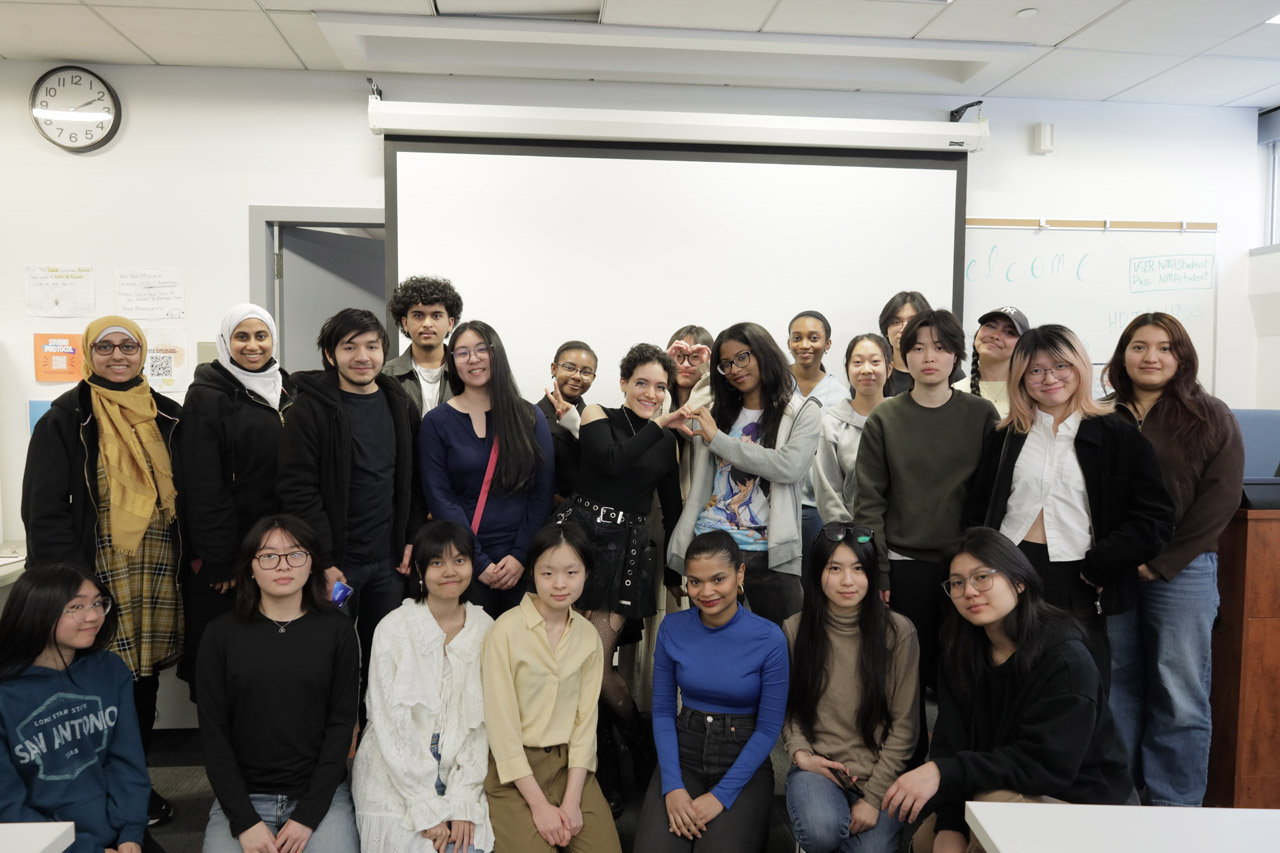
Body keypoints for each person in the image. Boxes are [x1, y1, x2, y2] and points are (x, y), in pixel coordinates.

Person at [21, 314, 182, 826]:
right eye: (105, 347)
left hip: (155, 571)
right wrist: (71, 585)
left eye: (128, 346)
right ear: (89, 354)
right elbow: (43, 509)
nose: (117, 356)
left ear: (142, 352)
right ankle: (93, 791)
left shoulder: (168, 416)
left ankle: (137, 784)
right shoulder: (65, 419)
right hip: (96, 576)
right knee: (96, 685)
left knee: (143, 682)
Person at [883, 528, 1135, 853]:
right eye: (956, 582)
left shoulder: (1064, 657)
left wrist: (941, 773)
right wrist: (950, 824)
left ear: (1019, 581)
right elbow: (951, 744)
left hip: (1085, 801)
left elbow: (1044, 765)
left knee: (992, 812)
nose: (969, 591)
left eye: (982, 577)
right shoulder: (959, 654)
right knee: (927, 842)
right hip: (1000, 785)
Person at [964, 324, 1174, 683]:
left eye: (1061, 366)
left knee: (1077, 682)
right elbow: (976, 510)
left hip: (1080, 576)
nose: (1050, 379)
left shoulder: (1117, 436)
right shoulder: (1004, 436)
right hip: (1008, 572)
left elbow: (1155, 518)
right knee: (1006, 679)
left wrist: (1103, 563)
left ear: (1079, 367)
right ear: (1021, 376)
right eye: (1036, 370)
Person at [1102, 313, 1245, 807]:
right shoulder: (1100, 414)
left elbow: (1221, 499)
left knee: (1179, 693)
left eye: (1165, 347)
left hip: (1184, 571)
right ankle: (1121, 802)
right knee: (1116, 686)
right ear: (1123, 354)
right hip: (1115, 572)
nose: (1151, 357)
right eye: (1139, 346)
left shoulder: (1210, 415)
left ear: (1182, 356)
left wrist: (1163, 563)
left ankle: (1174, 808)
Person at [853, 309, 997, 743]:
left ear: (957, 355)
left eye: (940, 347)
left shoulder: (981, 414)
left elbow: (991, 495)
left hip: (965, 567)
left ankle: (955, 765)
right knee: (904, 675)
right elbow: (869, 502)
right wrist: (877, 569)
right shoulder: (885, 417)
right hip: (903, 564)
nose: (928, 357)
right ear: (902, 357)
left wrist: (985, 565)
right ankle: (907, 762)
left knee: (963, 670)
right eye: (917, 348)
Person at [278, 307, 427, 724]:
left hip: (388, 568)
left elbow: (413, 480)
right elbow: (297, 492)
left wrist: (412, 538)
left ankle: (374, 748)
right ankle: (333, 751)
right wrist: (323, 561)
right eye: (349, 347)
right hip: (338, 570)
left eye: (372, 346)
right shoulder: (309, 409)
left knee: (384, 664)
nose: (362, 356)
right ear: (330, 355)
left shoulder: (399, 403)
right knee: (330, 661)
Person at [198, 515, 361, 853]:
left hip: (319, 794)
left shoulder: (338, 630)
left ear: (311, 564)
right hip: (244, 797)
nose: (283, 565)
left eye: (295, 554)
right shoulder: (220, 634)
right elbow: (214, 733)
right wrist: (244, 820)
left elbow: (341, 724)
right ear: (250, 567)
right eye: (269, 556)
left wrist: (308, 816)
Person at [635, 531, 789, 852]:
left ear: (740, 574)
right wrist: (673, 786)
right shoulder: (672, 629)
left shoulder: (769, 637)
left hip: (743, 761)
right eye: (695, 582)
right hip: (684, 757)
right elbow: (662, 712)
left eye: (718, 579)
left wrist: (721, 796)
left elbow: (768, 729)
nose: (706, 592)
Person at [353, 521, 495, 853]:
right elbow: (389, 724)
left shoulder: (486, 628)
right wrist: (424, 805)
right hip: (393, 774)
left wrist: (463, 797)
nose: (450, 571)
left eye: (460, 560)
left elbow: (483, 723)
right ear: (419, 569)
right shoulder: (393, 628)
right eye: (437, 562)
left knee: (468, 848)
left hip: (462, 771)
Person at [668, 322, 822, 626]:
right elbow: (673, 413)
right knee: (716, 644)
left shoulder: (803, 411)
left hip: (770, 550)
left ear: (763, 353)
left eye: (742, 357)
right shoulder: (716, 412)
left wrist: (720, 440)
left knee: (785, 642)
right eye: (726, 364)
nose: (735, 369)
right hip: (712, 543)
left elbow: (788, 467)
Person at [178, 304, 294, 702]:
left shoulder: (287, 389)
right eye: (241, 337)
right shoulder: (206, 396)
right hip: (229, 554)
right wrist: (221, 558)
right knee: (222, 663)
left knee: (268, 657)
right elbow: (201, 485)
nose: (252, 345)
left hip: (279, 549)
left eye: (261, 336)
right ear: (226, 342)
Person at [482, 523, 622, 853]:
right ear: (532, 573)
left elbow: (585, 723)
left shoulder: (588, 636)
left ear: (586, 573)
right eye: (548, 573)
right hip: (514, 773)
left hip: (570, 768)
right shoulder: (504, 632)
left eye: (571, 572)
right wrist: (539, 807)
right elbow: (501, 729)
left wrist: (572, 801)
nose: (560, 584)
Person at [783, 524, 919, 853]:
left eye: (858, 569)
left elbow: (905, 727)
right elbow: (788, 709)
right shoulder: (795, 629)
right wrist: (803, 756)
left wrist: (872, 799)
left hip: (878, 776)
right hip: (818, 769)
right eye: (835, 569)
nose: (847, 581)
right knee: (821, 831)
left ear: (871, 574)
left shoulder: (899, 632)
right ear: (818, 572)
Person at [0, 566, 152, 853]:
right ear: (38, 612)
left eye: (98, 603)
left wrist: (131, 832)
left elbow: (126, 761)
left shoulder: (109, 669)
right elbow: (7, 805)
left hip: (117, 832)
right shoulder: (6, 693)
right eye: (76, 607)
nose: (94, 616)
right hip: (40, 843)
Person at [422, 320, 555, 617]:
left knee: (520, 644)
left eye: (482, 349)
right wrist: (476, 560)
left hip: (522, 561)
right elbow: (440, 496)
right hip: (462, 560)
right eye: (462, 353)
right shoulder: (436, 422)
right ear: (452, 361)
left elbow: (542, 493)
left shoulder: (529, 416)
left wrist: (520, 555)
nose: (473, 359)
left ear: (497, 354)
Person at [787, 311, 853, 570]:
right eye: (797, 338)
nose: (805, 345)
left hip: (815, 506)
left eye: (813, 338)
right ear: (789, 343)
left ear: (827, 343)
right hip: (774, 502)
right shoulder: (774, 385)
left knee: (812, 578)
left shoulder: (840, 394)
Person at [813, 333, 891, 526]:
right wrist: (846, 535)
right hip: (855, 535)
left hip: (904, 536)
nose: (866, 369)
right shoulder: (831, 425)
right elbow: (828, 493)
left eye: (875, 361)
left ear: (889, 369)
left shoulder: (903, 419)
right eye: (857, 362)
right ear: (847, 369)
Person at [383, 275, 463, 419]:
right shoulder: (386, 376)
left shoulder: (463, 373)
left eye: (436, 316)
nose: (427, 324)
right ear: (405, 323)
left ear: (450, 323)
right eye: (418, 316)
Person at [536, 340, 599, 502]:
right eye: (570, 368)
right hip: (539, 507)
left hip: (583, 509)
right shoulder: (529, 416)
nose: (577, 376)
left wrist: (576, 425)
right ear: (554, 368)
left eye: (586, 372)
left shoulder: (598, 420)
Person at [876, 292, 963, 397]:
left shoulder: (949, 372)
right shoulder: (876, 372)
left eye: (913, 321)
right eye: (896, 322)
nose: (904, 329)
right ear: (886, 330)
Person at [953, 307, 1028, 417]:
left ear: (1022, 346)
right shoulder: (954, 392)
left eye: (1009, 332)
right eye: (990, 326)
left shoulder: (1031, 394)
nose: (995, 335)